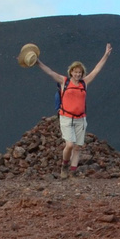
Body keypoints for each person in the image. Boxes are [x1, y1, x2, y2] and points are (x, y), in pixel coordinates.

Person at [35, 43, 113, 178]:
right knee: (69, 145)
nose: (77, 74)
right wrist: (38, 62)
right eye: (75, 72)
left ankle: (72, 172)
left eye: (79, 72)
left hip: (80, 119)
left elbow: (96, 69)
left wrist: (106, 55)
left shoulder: (84, 83)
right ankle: (64, 166)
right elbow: (50, 72)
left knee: (77, 147)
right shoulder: (64, 81)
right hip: (66, 117)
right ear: (71, 72)